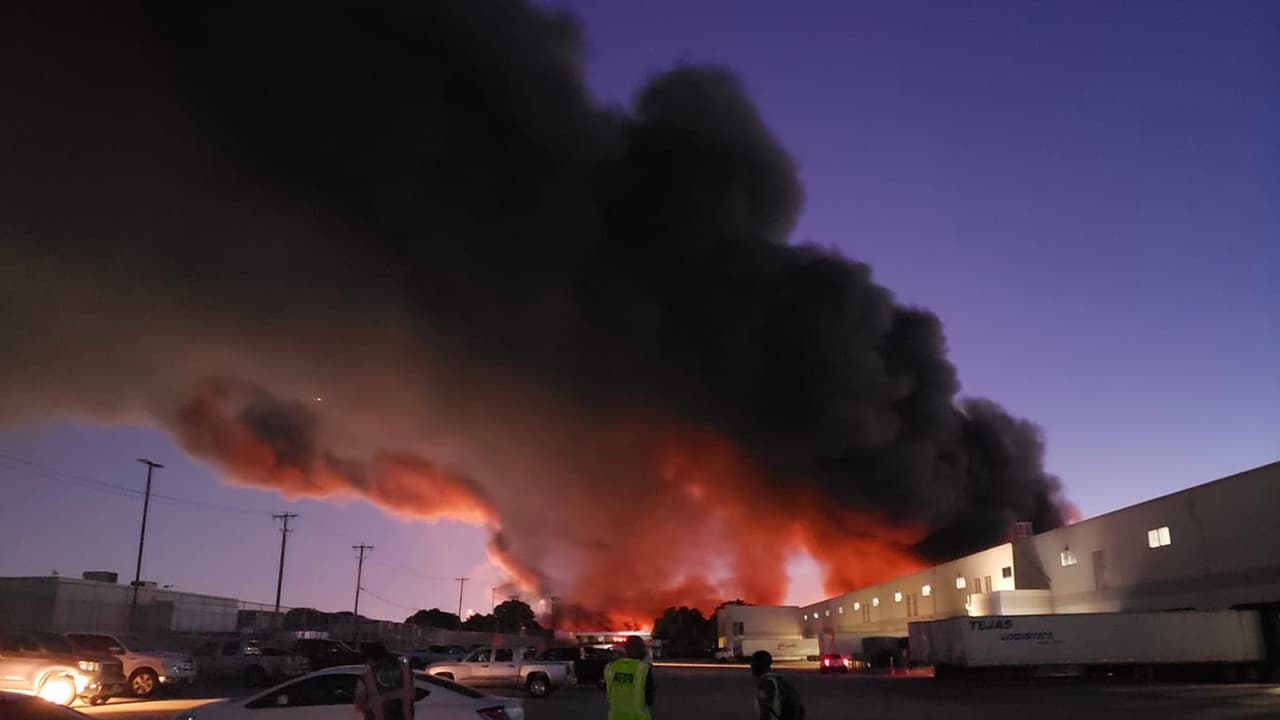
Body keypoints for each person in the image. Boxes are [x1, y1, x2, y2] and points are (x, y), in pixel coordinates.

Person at [354, 641, 415, 720]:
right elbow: (411, 696)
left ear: (370, 659)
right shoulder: (407, 673)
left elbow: (360, 705)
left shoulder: (366, 678)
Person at [603, 636, 654, 720]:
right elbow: (650, 700)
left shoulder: (610, 668)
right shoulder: (643, 669)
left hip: (616, 716)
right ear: (640, 649)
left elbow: (607, 687)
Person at [752, 650, 805, 720]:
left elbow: (765, 711)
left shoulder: (764, 684)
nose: (751, 666)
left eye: (753, 663)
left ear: (759, 664)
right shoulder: (776, 679)